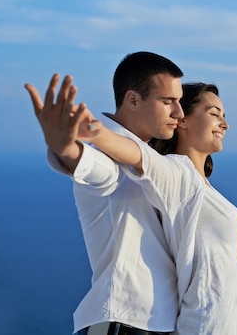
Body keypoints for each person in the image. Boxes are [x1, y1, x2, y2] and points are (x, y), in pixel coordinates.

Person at [75, 82, 237, 335]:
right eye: (214, 114)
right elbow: (138, 155)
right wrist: (95, 132)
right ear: (182, 119)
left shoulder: (201, 187)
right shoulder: (178, 174)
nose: (224, 124)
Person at [24, 51, 185, 335]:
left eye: (180, 102)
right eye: (168, 102)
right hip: (120, 324)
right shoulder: (109, 156)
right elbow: (97, 169)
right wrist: (66, 148)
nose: (179, 113)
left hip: (149, 325)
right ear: (133, 100)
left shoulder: (153, 160)